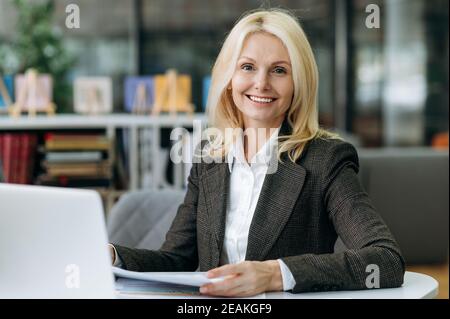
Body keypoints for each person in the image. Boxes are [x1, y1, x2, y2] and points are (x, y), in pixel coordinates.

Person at [109, 9, 405, 297]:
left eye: (279, 70)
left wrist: (274, 274)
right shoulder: (210, 157)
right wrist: (112, 257)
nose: (261, 83)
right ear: (229, 78)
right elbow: (176, 261)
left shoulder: (325, 159)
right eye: (247, 67)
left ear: (298, 83)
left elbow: (385, 260)